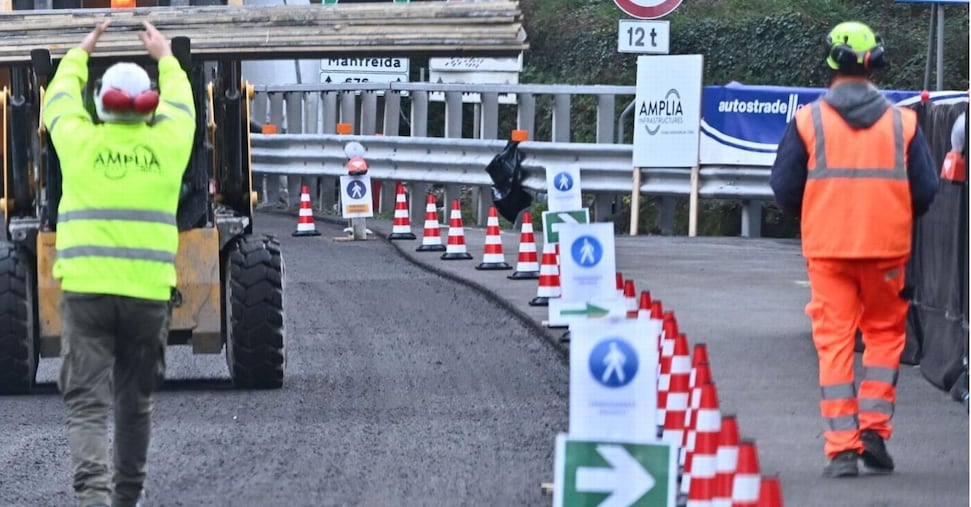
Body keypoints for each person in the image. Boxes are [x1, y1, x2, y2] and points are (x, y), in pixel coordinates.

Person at [770, 21, 938, 478]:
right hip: (886, 252)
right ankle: (874, 433)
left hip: (828, 252)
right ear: (875, 65)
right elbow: (925, 191)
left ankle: (841, 449)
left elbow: (784, 189)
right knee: (884, 337)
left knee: (835, 343)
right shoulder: (903, 122)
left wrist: (819, 214)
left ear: (829, 63)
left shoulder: (808, 121)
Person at [43, 20, 196, 506]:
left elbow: (58, 101)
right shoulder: (167, 146)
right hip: (147, 296)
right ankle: (127, 499)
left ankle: (93, 499)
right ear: (147, 106)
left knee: (87, 403)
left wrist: (79, 52)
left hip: (86, 295)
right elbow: (184, 106)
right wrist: (166, 57)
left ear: (100, 104)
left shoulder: (80, 144)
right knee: (135, 404)